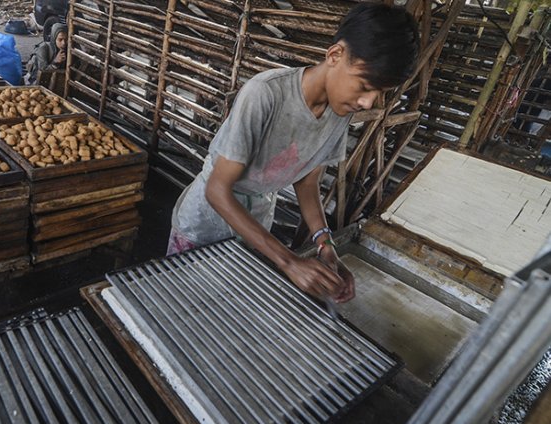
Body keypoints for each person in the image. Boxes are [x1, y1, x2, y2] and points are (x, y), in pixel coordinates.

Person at [168, 3, 419, 303]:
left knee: (226, 308)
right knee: (182, 304)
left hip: (256, 226)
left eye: (379, 93)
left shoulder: (339, 114)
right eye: (365, 86)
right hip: (204, 225)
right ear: (335, 55)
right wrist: (287, 260)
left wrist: (326, 245)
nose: (368, 103)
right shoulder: (265, 93)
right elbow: (218, 191)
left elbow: (307, 182)